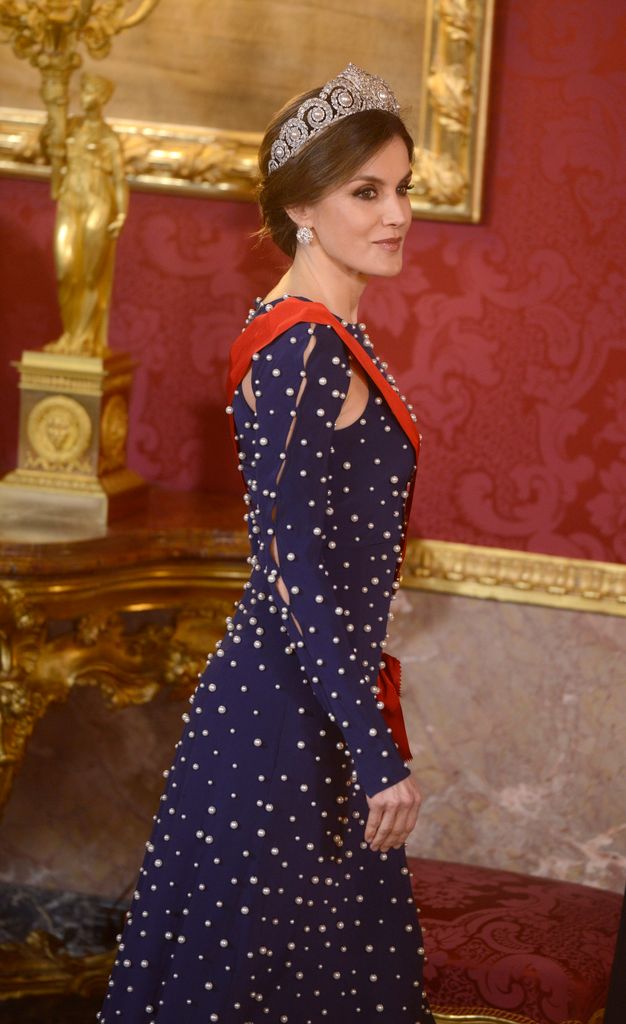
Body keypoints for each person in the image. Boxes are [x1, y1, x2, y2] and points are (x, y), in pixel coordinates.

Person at [99, 63, 432, 1023]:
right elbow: (294, 572)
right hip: (285, 719)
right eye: (365, 192)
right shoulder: (299, 345)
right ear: (301, 210)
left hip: (314, 703)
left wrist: (361, 734)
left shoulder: (320, 335)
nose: (396, 213)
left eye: (402, 187)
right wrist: (373, 751)